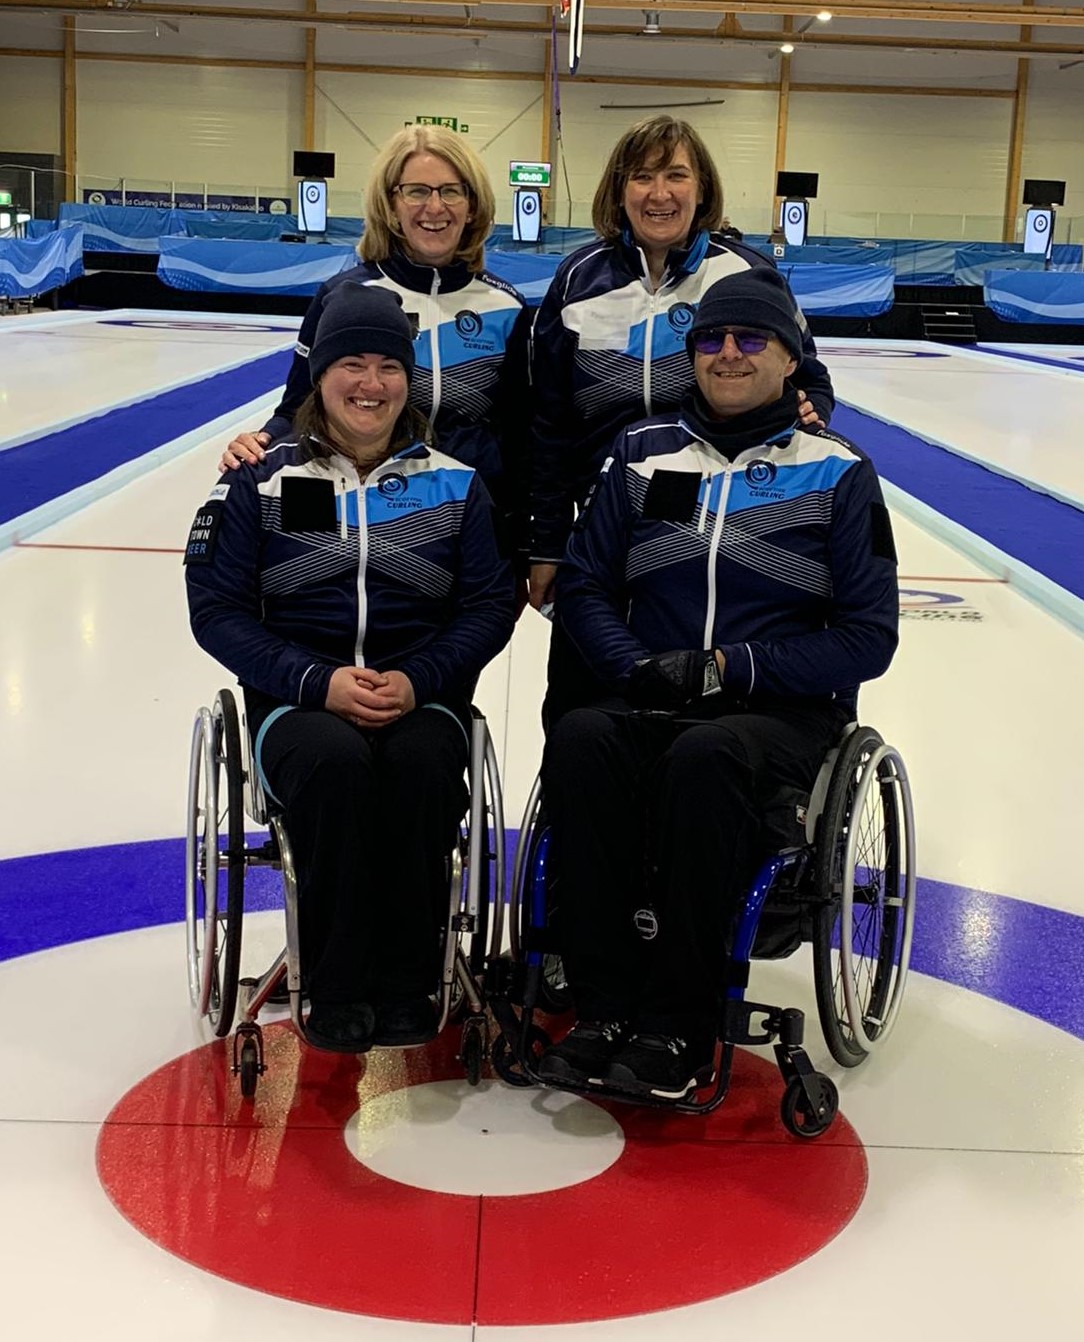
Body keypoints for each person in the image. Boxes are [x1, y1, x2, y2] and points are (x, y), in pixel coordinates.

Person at [536, 267, 898, 1101]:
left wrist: (733, 667)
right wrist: (631, 666)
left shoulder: (838, 472)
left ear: (791, 358)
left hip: (776, 714)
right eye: (710, 339)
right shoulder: (641, 453)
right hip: (652, 690)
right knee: (583, 739)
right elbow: (585, 585)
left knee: (707, 757)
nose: (727, 354)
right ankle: (603, 1006)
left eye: (750, 339)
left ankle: (679, 1021)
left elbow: (868, 636)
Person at [185, 283, 515, 1054]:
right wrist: (315, 682)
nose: (371, 384)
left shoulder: (455, 484)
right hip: (296, 702)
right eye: (351, 365)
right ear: (320, 375)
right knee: (332, 763)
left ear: (409, 378)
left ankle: (409, 979)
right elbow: (216, 609)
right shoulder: (260, 479)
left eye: (388, 367)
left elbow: (488, 607)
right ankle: (334, 984)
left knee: (422, 766)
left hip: (418, 697)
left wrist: (420, 679)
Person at [528, 114, 834, 627]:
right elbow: (548, 421)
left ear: (702, 187)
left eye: (676, 175)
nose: (659, 193)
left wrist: (810, 410)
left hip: (718, 519)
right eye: (642, 176)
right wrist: (547, 543)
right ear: (619, 190)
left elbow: (809, 376)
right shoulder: (579, 278)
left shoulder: (746, 272)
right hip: (603, 519)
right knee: (590, 662)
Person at [221, 124, 532, 567]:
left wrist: (523, 545)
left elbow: (521, 437)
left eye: (451, 191)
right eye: (417, 191)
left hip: (468, 525)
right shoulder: (344, 296)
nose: (435, 207)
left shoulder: (505, 306)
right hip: (354, 519)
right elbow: (298, 409)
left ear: (473, 204)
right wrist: (260, 441)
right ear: (391, 204)